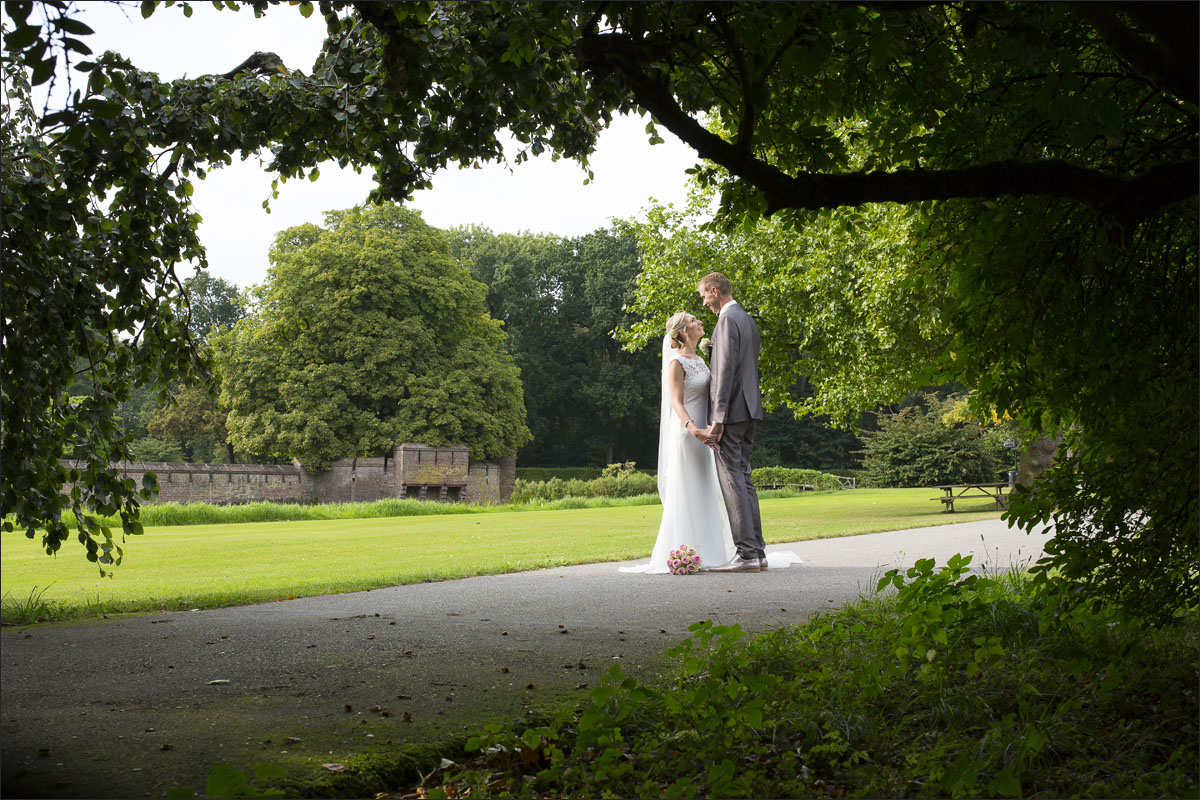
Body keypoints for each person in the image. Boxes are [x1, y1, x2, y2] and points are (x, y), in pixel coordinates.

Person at [619, 312, 736, 573]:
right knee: (687, 490)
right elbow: (676, 403)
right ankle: (683, 551)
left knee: (704, 490)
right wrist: (694, 429)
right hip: (689, 434)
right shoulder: (676, 363)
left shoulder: (700, 360)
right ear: (683, 331)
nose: (700, 322)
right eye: (695, 320)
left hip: (705, 434)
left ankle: (708, 553)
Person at [698, 272, 769, 573]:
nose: (704, 303)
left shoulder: (727, 321)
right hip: (750, 409)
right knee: (744, 478)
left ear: (715, 291)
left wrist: (718, 418)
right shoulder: (748, 319)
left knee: (732, 480)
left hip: (732, 412)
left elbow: (725, 371)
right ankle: (758, 553)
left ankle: (747, 554)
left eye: (704, 296)